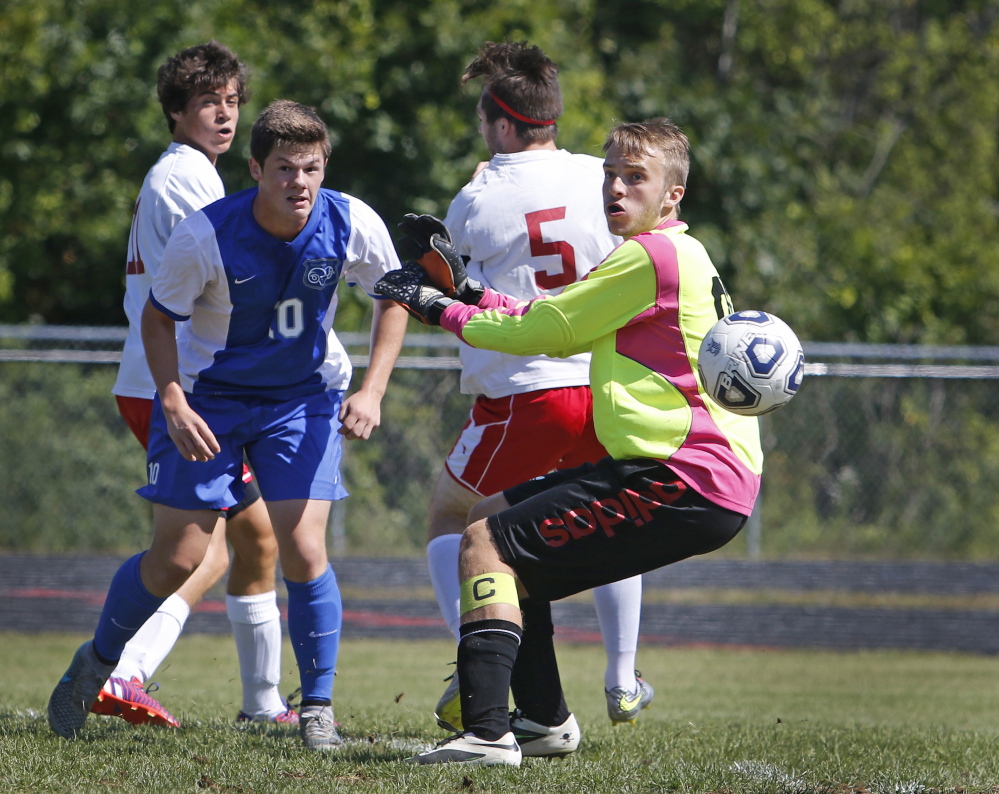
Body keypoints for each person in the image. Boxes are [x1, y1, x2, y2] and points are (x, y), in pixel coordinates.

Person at [377, 117, 763, 766]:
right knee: (486, 520)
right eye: (610, 173)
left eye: (635, 178)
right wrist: (467, 291)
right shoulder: (669, 254)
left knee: (482, 545)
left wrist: (437, 308)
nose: (615, 188)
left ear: (672, 196)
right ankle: (543, 721)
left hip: (682, 477)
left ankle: (486, 732)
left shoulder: (650, 256)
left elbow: (545, 333)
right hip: (688, 473)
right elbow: (554, 317)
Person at [48, 99, 410, 751]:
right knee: (178, 559)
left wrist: (375, 389)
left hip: (300, 400)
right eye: (283, 169)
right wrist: (173, 401)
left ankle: (317, 707)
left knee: (302, 549)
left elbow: (393, 295)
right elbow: (158, 321)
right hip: (208, 402)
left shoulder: (350, 220)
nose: (298, 183)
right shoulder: (207, 233)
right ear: (254, 168)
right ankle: (95, 664)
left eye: (311, 168)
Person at [423, 41, 653, 742]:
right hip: (601, 386)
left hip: (524, 393)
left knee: (452, 522)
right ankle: (621, 676)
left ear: (499, 122)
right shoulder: (598, 177)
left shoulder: (478, 196)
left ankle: (474, 667)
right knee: (610, 530)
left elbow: (445, 274)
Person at [101, 40, 296, 730]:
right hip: (174, 388)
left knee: (253, 542)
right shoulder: (185, 177)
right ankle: (124, 670)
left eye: (233, 100)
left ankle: (261, 704)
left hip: (180, 382)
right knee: (205, 548)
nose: (224, 112)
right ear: (177, 110)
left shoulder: (196, 175)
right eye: (209, 100)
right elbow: (224, 284)